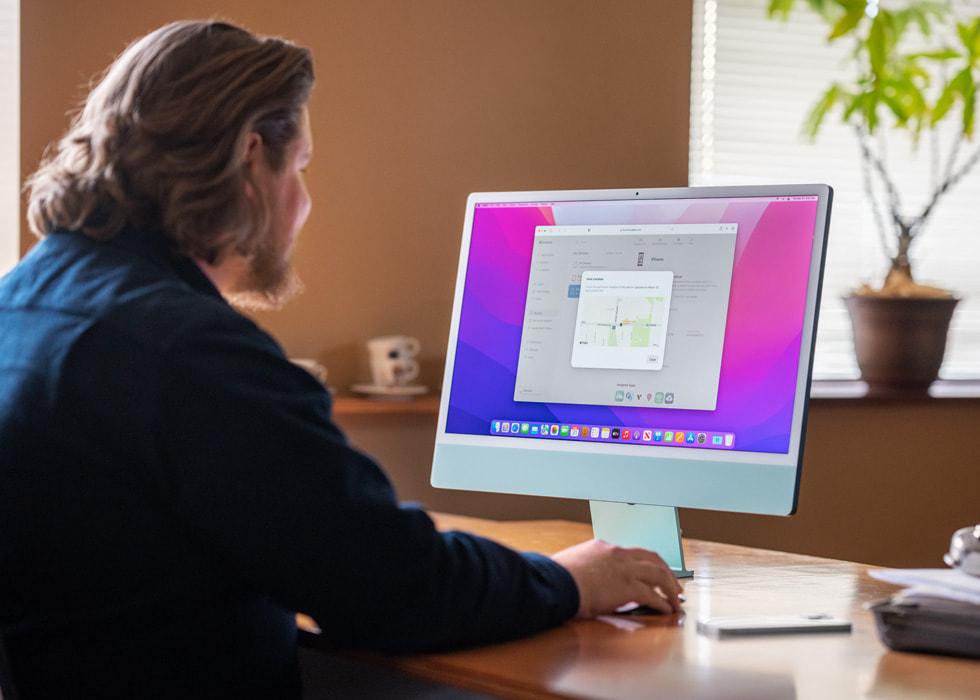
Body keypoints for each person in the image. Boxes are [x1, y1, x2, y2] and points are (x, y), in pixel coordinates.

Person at [0, 20, 683, 699]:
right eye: (299, 166)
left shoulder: (19, 308)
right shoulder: (191, 353)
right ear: (249, 160)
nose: (302, 203)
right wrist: (567, 582)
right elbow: (396, 589)